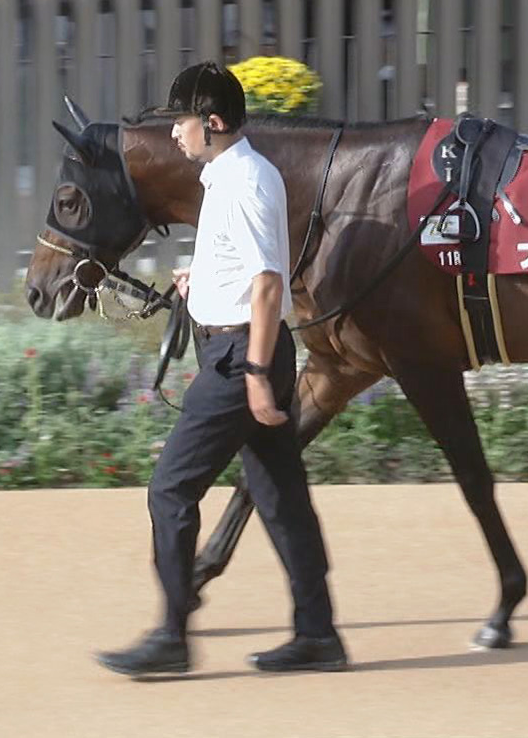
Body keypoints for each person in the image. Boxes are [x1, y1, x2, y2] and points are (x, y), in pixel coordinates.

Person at [95, 61, 347, 677]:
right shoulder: (230, 176)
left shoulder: (244, 182)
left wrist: (256, 374)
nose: (173, 131)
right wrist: (200, 280)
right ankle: (318, 635)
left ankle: (171, 636)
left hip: (241, 360)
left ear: (211, 122)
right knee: (281, 497)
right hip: (240, 352)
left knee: (170, 489)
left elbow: (268, 283)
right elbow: (247, 266)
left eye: (181, 120)